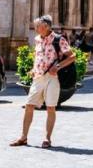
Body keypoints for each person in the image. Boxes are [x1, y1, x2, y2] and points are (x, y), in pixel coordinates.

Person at [10, 15, 75, 149]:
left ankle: (47, 138)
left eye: (37, 26)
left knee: (50, 107)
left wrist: (57, 67)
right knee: (29, 105)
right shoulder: (38, 39)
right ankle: (23, 137)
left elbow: (72, 56)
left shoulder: (58, 39)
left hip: (53, 78)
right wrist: (34, 69)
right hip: (38, 78)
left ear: (46, 27)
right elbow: (38, 55)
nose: (35, 28)